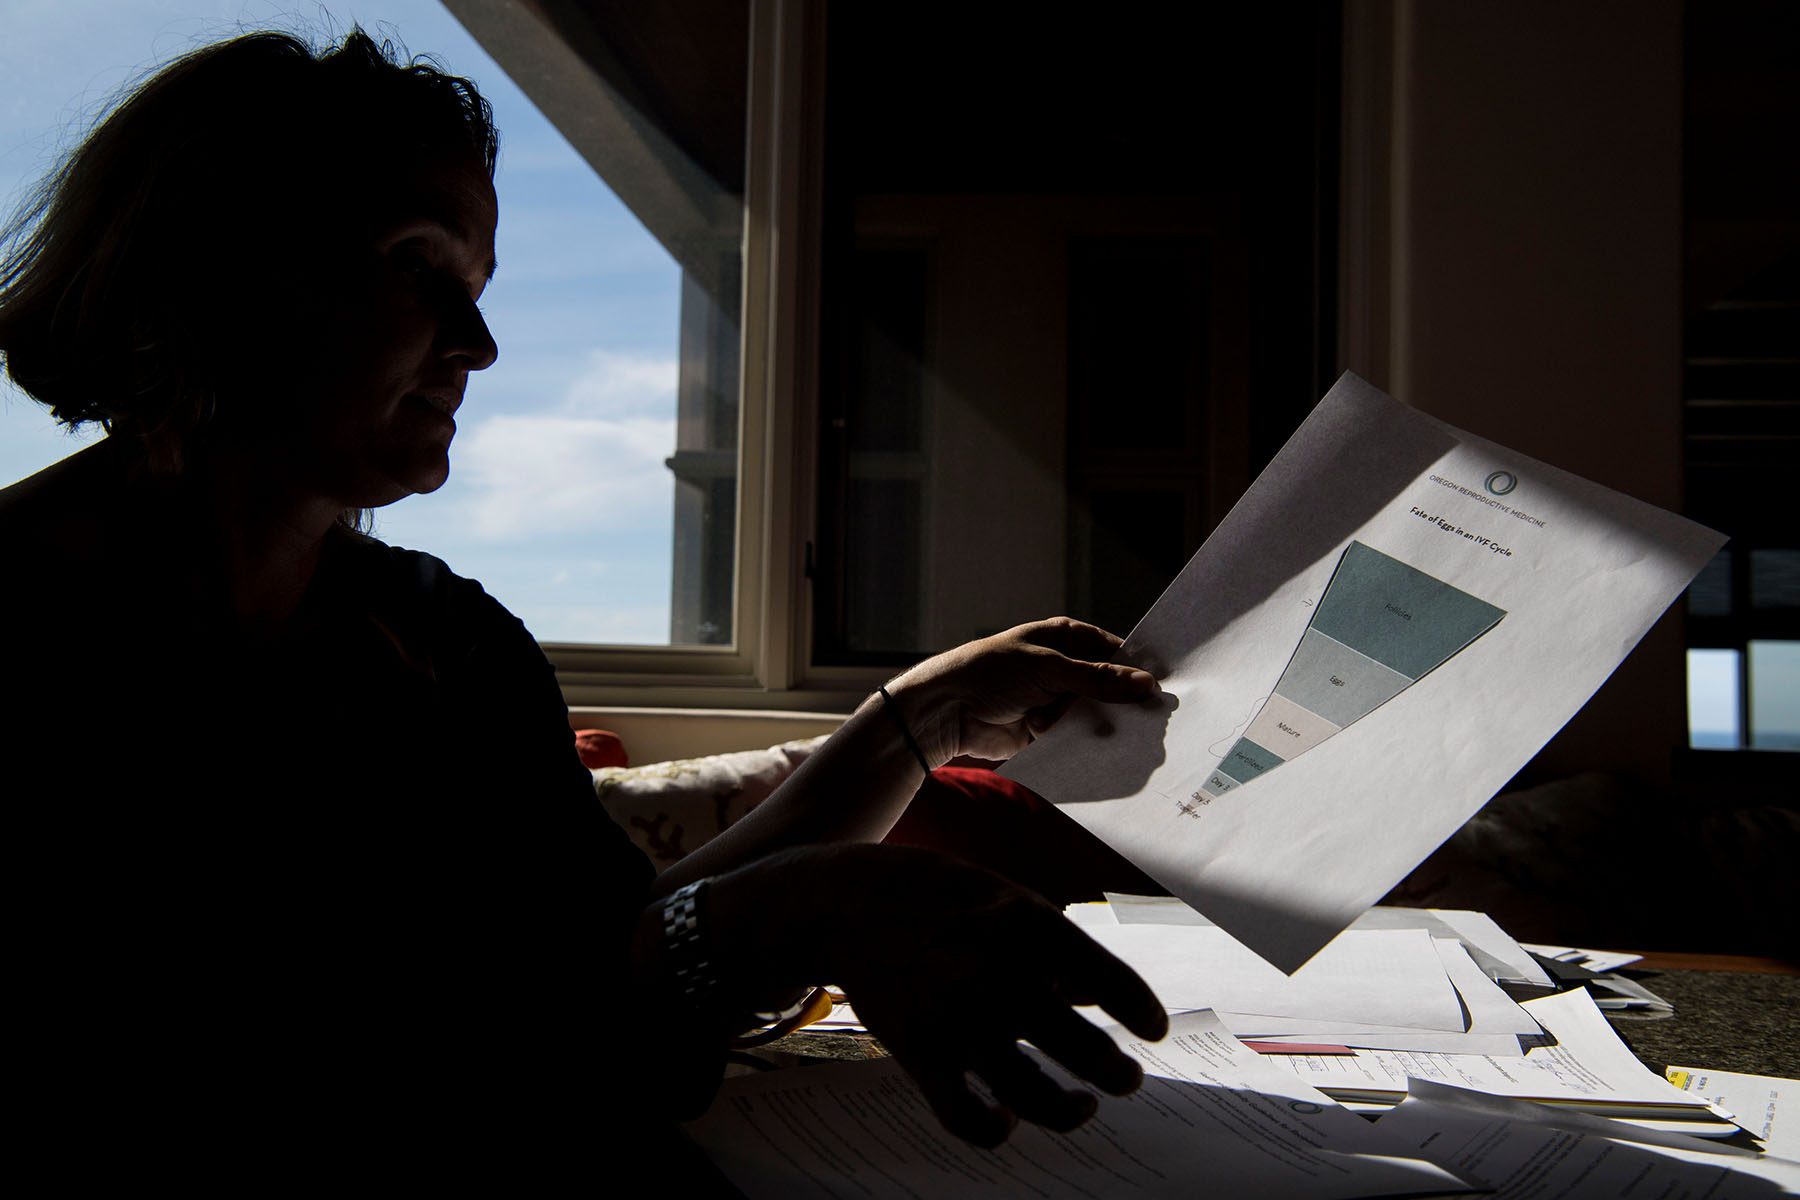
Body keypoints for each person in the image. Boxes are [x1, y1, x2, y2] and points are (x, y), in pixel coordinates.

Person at [0, 29, 1167, 1174]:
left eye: (480, 288)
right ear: (228, 265)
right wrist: (785, 918)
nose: (481, 344)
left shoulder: (445, 641)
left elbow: (606, 959)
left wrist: (921, 721)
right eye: (420, 266)